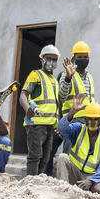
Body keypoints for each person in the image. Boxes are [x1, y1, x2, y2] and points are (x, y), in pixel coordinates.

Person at [55, 93, 100, 194]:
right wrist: (72, 112)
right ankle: (63, 192)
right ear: (85, 119)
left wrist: (91, 180)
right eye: (90, 118)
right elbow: (61, 129)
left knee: (98, 189)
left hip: (91, 177)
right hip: (75, 173)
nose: (93, 122)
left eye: (96, 119)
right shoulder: (78, 129)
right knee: (62, 157)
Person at [18, 44, 61, 176]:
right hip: (36, 123)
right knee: (35, 155)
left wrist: (56, 125)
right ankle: (31, 181)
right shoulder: (35, 75)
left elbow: (55, 104)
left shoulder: (54, 79)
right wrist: (27, 109)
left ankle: (38, 181)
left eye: (54, 59)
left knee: (46, 157)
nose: (52, 62)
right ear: (42, 59)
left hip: (49, 125)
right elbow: (23, 95)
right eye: (49, 58)